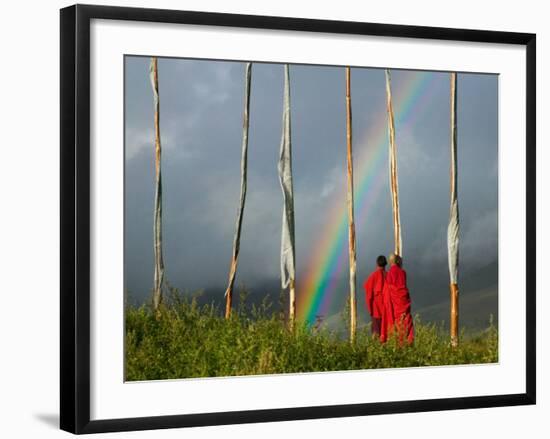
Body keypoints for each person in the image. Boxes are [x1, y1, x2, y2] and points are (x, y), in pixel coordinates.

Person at [381, 253, 414, 345]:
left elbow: (387, 293)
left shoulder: (389, 274)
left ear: (390, 262)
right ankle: (408, 344)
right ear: (398, 261)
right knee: (406, 324)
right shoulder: (402, 273)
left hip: (394, 306)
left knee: (396, 325)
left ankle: (396, 345)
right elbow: (402, 289)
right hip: (403, 304)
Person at [363, 255, 387, 338]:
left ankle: (375, 350)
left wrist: (370, 310)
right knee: (386, 334)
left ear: (377, 264)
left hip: (376, 311)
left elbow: (368, 295)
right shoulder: (388, 276)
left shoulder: (373, 276)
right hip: (387, 311)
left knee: (376, 335)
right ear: (386, 264)